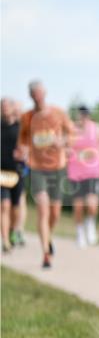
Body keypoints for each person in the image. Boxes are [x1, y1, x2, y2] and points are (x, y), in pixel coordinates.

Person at [17, 80, 74, 268]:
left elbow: (72, 134)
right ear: (30, 96)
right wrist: (23, 150)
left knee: (55, 212)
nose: (37, 97)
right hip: (36, 168)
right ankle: (46, 254)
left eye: (39, 93)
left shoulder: (58, 113)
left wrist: (63, 143)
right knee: (43, 208)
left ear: (45, 93)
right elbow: (22, 140)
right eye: (34, 94)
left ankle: (48, 237)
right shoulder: (27, 117)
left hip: (57, 167)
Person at [66, 105, 99, 247]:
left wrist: (92, 152)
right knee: (78, 206)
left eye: (85, 115)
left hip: (92, 171)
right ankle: (80, 233)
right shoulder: (71, 129)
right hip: (75, 172)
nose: (83, 118)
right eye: (81, 115)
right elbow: (64, 146)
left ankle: (90, 224)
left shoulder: (97, 128)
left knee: (92, 204)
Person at [1, 98, 26, 253]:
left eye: (6, 106)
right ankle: (5, 241)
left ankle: (12, 230)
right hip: (1, 172)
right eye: (2, 106)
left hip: (16, 171)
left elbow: (28, 147)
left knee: (15, 207)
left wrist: (24, 154)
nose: (4, 109)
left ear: (11, 109)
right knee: (4, 205)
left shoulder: (20, 127)